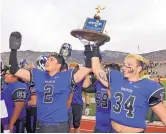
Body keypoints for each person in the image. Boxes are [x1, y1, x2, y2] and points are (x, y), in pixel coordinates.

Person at [8, 31, 92, 133]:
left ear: (59, 65)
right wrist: (13, 49)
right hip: (40, 124)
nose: (47, 61)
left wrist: (88, 46)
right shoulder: (37, 75)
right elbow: (14, 70)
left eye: (51, 60)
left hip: (59, 126)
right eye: (48, 59)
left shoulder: (67, 76)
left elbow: (88, 67)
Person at [90, 42, 166, 133]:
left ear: (139, 69)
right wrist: (95, 47)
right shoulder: (116, 79)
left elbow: (163, 116)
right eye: (124, 64)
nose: (124, 67)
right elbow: (96, 68)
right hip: (113, 131)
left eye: (129, 65)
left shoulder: (148, 86)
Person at [2, 68, 28, 133]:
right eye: (6, 73)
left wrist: (11, 123)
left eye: (8, 74)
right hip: (5, 121)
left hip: (15, 122)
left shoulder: (19, 86)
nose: (5, 75)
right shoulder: (7, 85)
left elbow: (18, 107)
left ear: (15, 76)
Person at [69, 62, 90, 133]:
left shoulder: (81, 78)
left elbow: (86, 94)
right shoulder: (67, 78)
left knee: (76, 125)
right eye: (70, 69)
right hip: (67, 103)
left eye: (73, 69)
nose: (71, 71)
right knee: (66, 124)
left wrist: (87, 106)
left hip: (77, 104)